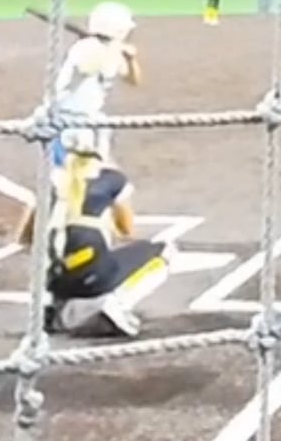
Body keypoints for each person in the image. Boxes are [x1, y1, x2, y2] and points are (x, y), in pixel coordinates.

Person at [15, 127, 168, 338]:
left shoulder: (49, 183)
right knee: (164, 252)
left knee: (63, 261)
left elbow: (26, 238)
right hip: (96, 272)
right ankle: (115, 305)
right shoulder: (112, 179)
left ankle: (63, 313)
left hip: (57, 281)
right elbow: (127, 229)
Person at [48, 1, 142, 167]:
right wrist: (107, 51)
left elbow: (133, 80)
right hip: (67, 121)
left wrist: (130, 59)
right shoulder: (85, 48)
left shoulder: (109, 49)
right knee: (75, 174)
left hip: (91, 119)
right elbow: (86, 68)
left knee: (96, 170)